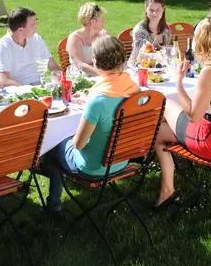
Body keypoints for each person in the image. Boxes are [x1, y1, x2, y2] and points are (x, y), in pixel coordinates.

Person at [152, 16, 211, 207]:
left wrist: (178, 83)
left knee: (164, 105)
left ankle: (167, 190)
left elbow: (193, 116)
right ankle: (166, 191)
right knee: (161, 128)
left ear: (204, 42)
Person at [39, 36, 140, 215]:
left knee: (54, 139)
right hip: (121, 160)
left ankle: (53, 204)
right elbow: (111, 103)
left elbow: (78, 145)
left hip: (92, 167)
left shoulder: (98, 101)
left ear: (96, 63)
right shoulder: (133, 89)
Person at [0, 7, 59, 87]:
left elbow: (53, 66)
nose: (36, 27)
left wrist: (60, 80)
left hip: (41, 88)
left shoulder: (36, 39)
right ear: (20, 30)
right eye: (32, 25)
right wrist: (29, 90)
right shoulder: (2, 46)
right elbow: (4, 80)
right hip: (18, 93)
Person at [127, 0, 172, 69]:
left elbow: (169, 52)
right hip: (139, 68)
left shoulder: (166, 28)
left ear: (163, 9)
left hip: (162, 68)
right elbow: (142, 55)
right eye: (151, 10)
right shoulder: (139, 30)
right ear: (146, 10)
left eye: (158, 10)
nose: (154, 13)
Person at [66, 3, 108, 77]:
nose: (104, 21)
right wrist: (103, 74)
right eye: (102, 20)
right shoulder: (75, 38)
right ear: (92, 22)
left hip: (101, 74)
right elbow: (80, 64)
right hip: (80, 77)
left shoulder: (104, 34)